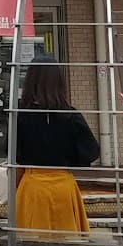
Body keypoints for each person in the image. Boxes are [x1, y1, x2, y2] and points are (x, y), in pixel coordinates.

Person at [14, 58, 100, 234]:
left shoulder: (19, 114)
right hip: (63, 186)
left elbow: (13, 153)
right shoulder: (70, 114)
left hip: (32, 187)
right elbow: (91, 151)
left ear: (30, 80)